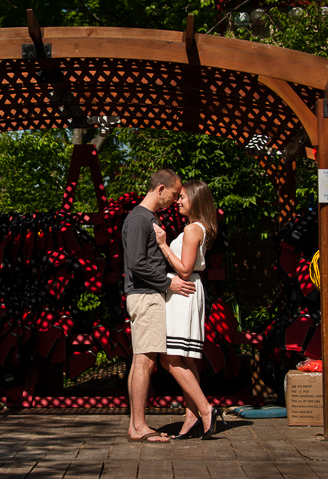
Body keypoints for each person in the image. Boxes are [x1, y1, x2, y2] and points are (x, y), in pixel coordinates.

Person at [122, 168, 196, 443]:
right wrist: (168, 283)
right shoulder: (140, 219)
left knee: (141, 359)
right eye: (175, 194)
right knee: (145, 360)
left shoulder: (144, 218)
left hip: (146, 294)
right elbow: (137, 263)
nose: (174, 201)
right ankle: (140, 426)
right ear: (161, 189)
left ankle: (135, 425)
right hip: (145, 295)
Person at [153, 179, 223, 440]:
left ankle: (205, 409)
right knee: (185, 357)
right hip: (187, 289)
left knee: (168, 357)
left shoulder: (193, 229)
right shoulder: (196, 227)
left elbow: (183, 268)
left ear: (196, 199)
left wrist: (162, 244)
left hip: (184, 289)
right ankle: (192, 416)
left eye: (182, 197)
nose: (178, 201)